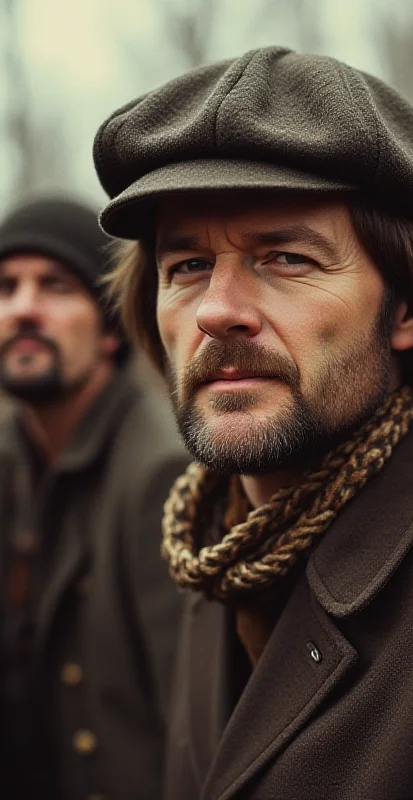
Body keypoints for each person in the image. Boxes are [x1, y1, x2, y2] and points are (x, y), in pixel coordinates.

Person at [94, 47, 413, 800]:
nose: (218, 309)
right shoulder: (214, 548)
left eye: (286, 257)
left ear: (407, 311)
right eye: (187, 266)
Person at [0, 196, 188, 800]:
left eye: (55, 286)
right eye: (5, 288)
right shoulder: (10, 458)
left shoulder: (163, 472)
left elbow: (192, 729)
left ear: (110, 329)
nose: (22, 309)